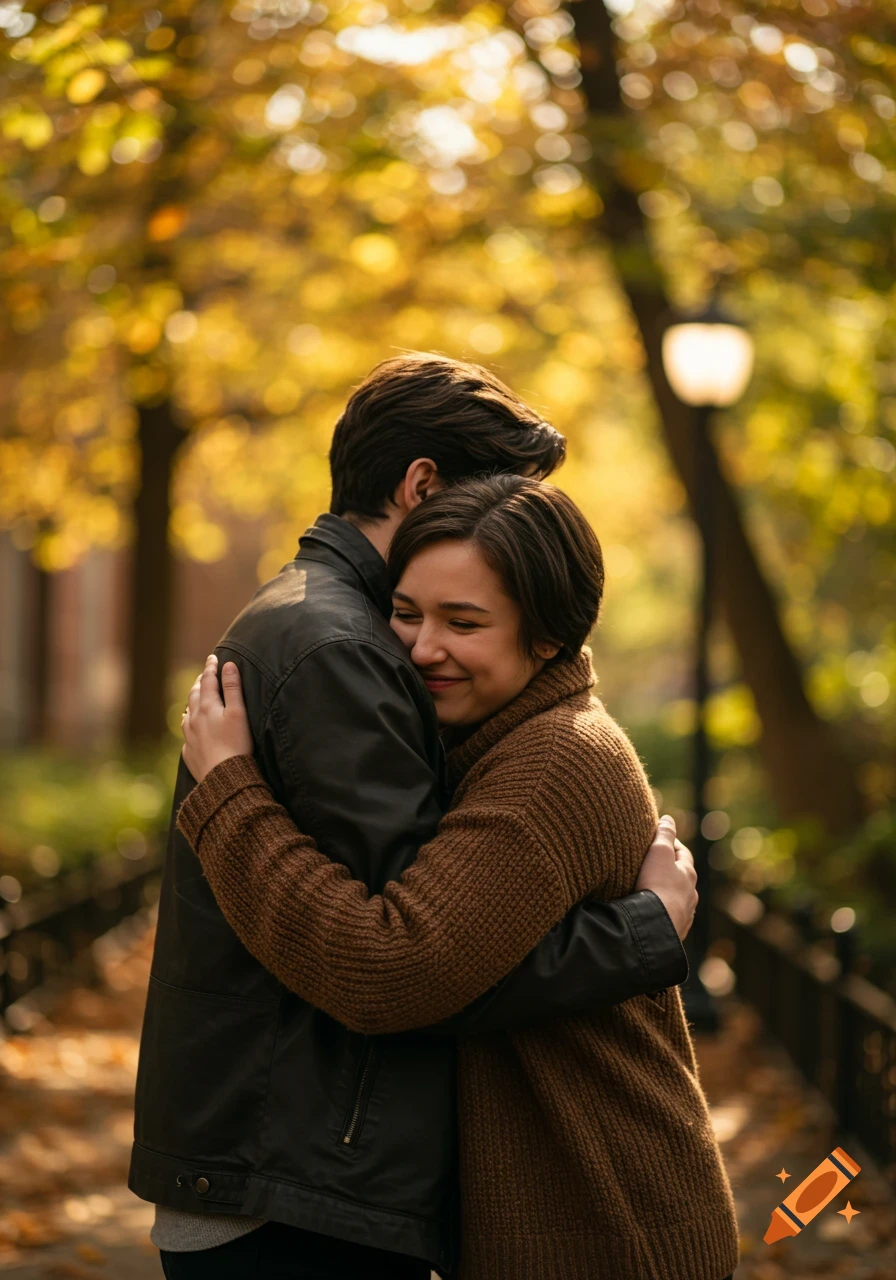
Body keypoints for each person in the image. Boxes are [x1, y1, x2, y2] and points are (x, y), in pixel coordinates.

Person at [129, 354, 697, 1279]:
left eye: (462, 622)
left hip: (307, 1169)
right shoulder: (344, 649)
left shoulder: (341, 633)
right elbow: (404, 963)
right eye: (495, 491)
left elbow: (424, 951)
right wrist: (638, 934)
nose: (427, 641)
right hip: (292, 1185)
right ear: (423, 484)